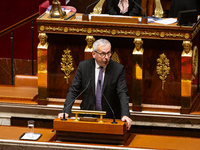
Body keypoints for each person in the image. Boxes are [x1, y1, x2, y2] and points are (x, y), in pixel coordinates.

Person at [58, 38, 132, 130]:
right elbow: (73, 90)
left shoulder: (118, 69)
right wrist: (65, 111)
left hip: (109, 118)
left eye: (108, 53)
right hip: (87, 117)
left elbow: (122, 93)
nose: (106, 57)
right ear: (94, 54)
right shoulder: (83, 67)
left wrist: (125, 114)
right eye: (102, 54)